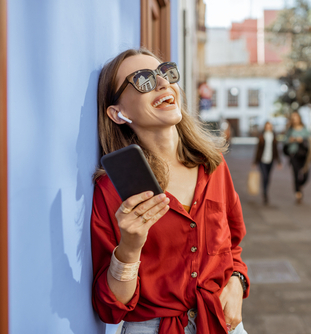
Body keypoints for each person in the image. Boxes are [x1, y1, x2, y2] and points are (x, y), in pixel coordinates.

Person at [91, 48, 249, 334]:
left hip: (219, 322)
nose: (163, 83)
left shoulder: (212, 165)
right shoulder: (112, 190)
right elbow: (111, 307)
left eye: (164, 73)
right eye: (143, 80)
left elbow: (233, 243)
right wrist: (130, 247)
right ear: (118, 113)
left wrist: (237, 281)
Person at [283, 111, 311, 204]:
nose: (294, 119)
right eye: (293, 118)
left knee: (306, 175)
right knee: (296, 173)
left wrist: (302, 139)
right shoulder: (290, 130)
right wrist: (290, 140)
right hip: (294, 154)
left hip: (304, 155)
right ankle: (298, 192)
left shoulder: (305, 129)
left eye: (296, 117)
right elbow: (284, 141)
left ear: (299, 118)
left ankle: (300, 185)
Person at [253, 121, 282, 204]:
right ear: (265, 127)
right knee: (264, 176)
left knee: (268, 177)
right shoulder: (261, 136)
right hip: (262, 160)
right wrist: (255, 162)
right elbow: (258, 150)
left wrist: (279, 161)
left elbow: (276, 150)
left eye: (270, 126)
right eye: (267, 126)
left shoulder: (274, 136)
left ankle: (266, 190)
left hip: (271, 160)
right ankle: (265, 192)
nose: (268, 128)